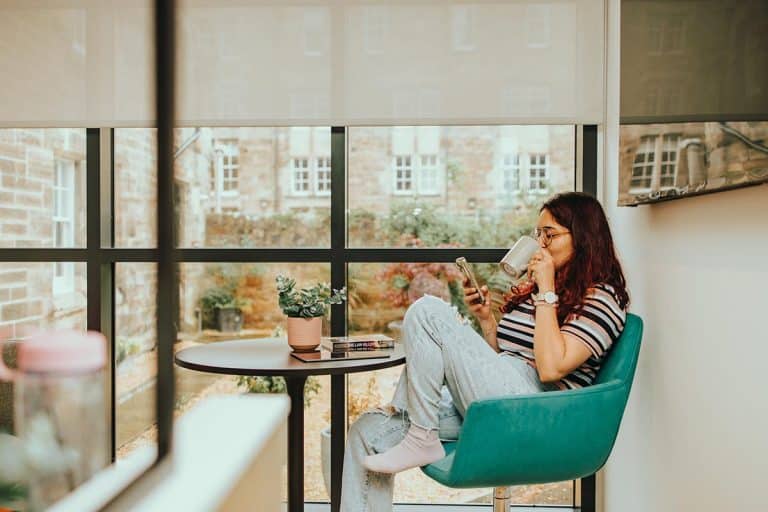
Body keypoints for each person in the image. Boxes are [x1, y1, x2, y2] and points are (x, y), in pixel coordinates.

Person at [340, 192, 630, 511]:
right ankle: (417, 429)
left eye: (551, 235)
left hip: (536, 411)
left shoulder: (601, 299)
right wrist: (486, 321)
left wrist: (546, 292)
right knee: (367, 431)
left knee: (427, 311)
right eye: (538, 234)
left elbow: (550, 369)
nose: (541, 244)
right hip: (497, 397)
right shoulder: (544, 290)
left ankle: (421, 434)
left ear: (585, 239)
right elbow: (502, 359)